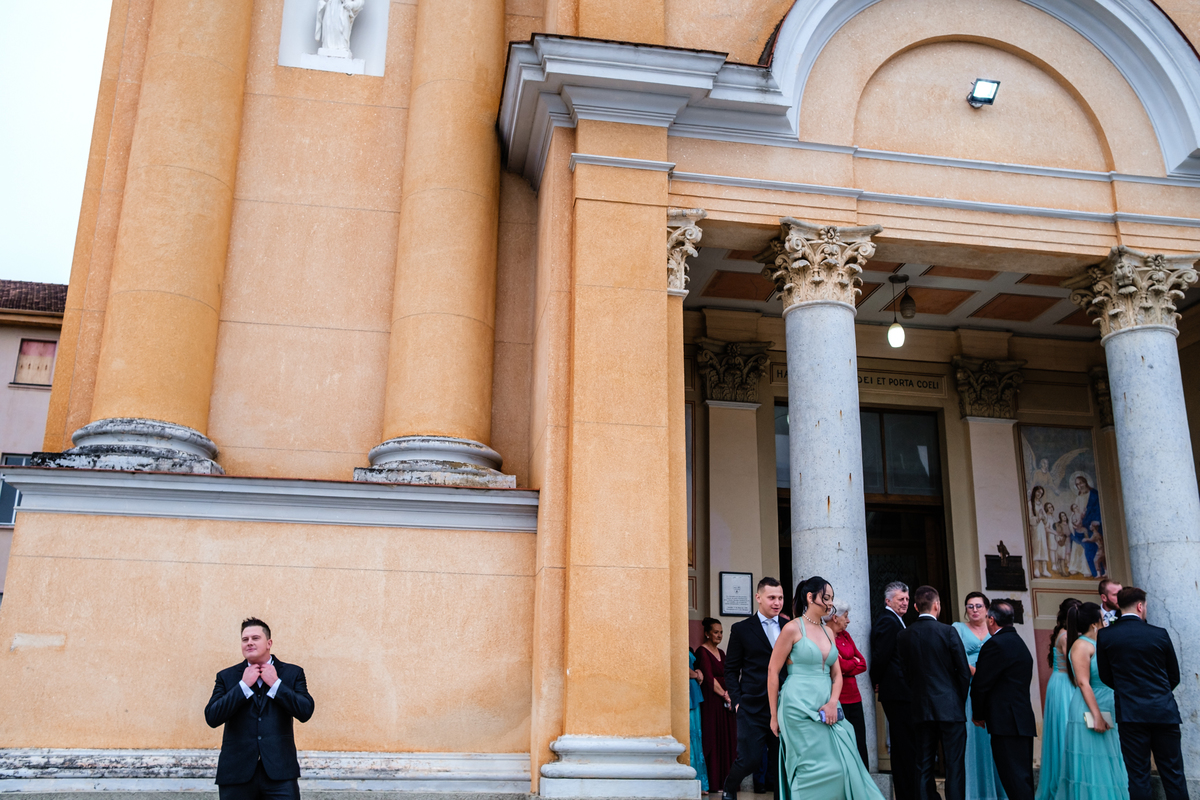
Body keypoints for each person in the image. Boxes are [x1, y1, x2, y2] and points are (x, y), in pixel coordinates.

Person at [768, 576, 884, 800]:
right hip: (796, 707)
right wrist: (774, 716)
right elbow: (773, 671)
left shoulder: (829, 632)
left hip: (827, 708)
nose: (830, 604)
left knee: (840, 767)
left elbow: (837, 674)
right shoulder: (792, 628)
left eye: (831, 598)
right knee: (806, 770)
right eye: (826, 598)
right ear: (810, 598)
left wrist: (832, 703)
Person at [204, 618, 315, 800]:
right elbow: (212, 716)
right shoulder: (226, 676)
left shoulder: (292, 673)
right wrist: (242, 686)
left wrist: (276, 684)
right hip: (236, 774)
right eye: (245, 639)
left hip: (280, 773)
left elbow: (305, 711)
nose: (249, 643)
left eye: (255, 638)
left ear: (269, 643)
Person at [1096, 588, 1188, 800]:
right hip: (1164, 711)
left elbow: (1105, 675)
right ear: (1140, 606)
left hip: (1130, 714)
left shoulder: (1106, 635)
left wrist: (1127, 691)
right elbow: (1174, 675)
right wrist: (1159, 694)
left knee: (1138, 776)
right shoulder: (1159, 634)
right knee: (1174, 774)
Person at [897, 585, 972, 800]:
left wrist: (917, 694)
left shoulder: (903, 635)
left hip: (921, 707)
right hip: (950, 707)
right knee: (954, 765)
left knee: (923, 763)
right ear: (937, 605)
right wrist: (957, 699)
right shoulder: (948, 631)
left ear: (915, 607)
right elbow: (963, 671)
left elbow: (905, 673)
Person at [722, 578, 787, 800]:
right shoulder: (741, 629)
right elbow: (730, 670)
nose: (777, 603)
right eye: (772, 598)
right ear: (758, 597)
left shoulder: (789, 627)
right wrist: (737, 701)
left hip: (783, 705)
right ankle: (730, 786)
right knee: (749, 760)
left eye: (780, 598)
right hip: (752, 707)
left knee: (782, 761)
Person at [1058, 602, 1128, 799]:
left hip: (1108, 703)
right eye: (1102, 617)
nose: (1105, 620)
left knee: (1111, 757)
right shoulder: (1081, 645)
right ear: (1094, 623)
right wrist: (1096, 715)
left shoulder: (1100, 643)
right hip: (1090, 706)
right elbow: (1083, 682)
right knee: (1094, 760)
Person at [970, 600, 1036, 800]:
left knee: (1013, 779)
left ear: (991, 620)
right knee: (1023, 777)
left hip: (1006, 722)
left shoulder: (995, 644)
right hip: (1022, 719)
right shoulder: (1019, 643)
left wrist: (978, 714)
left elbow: (981, 684)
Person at [871, 580, 929, 800]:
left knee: (904, 745)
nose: (905, 602)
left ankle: (908, 792)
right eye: (900, 599)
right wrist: (876, 680)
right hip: (898, 692)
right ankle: (908, 793)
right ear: (888, 601)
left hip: (901, 692)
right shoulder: (888, 621)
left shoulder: (896, 620)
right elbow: (881, 656)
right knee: (904, 746)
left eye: (906, 599)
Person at [951, 592, 1007, 800]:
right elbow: (953, 656)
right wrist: (975, 672)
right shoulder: (958, 628)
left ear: (987, 608)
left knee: (996, 739)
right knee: (973, 738)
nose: (974, 610)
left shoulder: (996, 628)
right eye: (970, 606)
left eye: (978, 606)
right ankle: (975, 793)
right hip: (969, 689)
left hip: (994, 689)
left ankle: (998, 792)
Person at [1035, 598, 1081, 800]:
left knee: (1062, 730)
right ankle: (1066, 785)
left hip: (1058, 682)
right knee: (1065, 731)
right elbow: (1074, 666)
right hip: (1066, 684)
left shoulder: (1063, 633)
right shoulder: (1066, 636)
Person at [824, 599, 869, 769]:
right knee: (841, 743)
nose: (848, 620)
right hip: (837, 699)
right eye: (846, 616)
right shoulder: (824, 635)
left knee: (859, 741)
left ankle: (863, 779)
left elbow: (863, 663)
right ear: (835, 617)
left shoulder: (846, 635)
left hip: (854, 696)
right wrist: (851, 663)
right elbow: (838, 666)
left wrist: (846, 664)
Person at [696, 617, 738, 794]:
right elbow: (708, 678)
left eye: (721, 632)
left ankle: (726, 781)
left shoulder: (721, 652)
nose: (719, 635)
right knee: (713, 737)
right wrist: (725, 695)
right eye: (715, 632)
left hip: (725, 702)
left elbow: (729, 674)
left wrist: (731, 695)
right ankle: (713, 782)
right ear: (707, 633)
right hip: (712, 701)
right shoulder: (702, 652)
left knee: (727, 738)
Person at [689, 649, 710, 792]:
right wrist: (696, 674)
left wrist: (697, 671)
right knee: (690, 737)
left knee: (696, 738)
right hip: (688, 693)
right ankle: (693, 780)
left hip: (694, 693)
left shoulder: (689, 649)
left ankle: (700, 782)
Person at [1028, 486, 1050, 579]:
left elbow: (1045, 518)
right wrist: (1038, 518)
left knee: (1043, 547)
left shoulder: (1040, 504)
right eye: (1038, 492)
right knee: (1037, 548)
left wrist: (1043, 518)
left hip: (1041, 528)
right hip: (1035, 529)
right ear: (1034, 492)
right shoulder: (1030, 503)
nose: (1039, 494)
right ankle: (1036, 569)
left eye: (1041, 493)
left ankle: (1044, 569)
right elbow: (1029, 518)